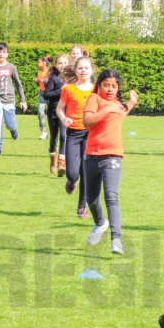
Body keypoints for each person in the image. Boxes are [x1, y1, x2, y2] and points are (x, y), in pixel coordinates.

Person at [82, 70, 139, 255]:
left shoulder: (118, 105)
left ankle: (116, 240)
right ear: (98, 86)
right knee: (91, 199)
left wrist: (130, 102)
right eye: (106, 85)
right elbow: (87, 121)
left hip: (113, 157)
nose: (110, 89)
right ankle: (100, 223)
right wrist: (106, 109)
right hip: (91, 156)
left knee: (111, 196)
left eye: (114, 86)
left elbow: (121, 114)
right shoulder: (95, 100)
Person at [57, 56, 95, 218]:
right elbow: (60, 108)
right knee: (73, 173)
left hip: (90, 134)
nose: (83, 70)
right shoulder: (69, 89)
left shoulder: (96, 89)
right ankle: (71, 180)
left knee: (86, 171)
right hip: (73, 134)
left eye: (86, 68)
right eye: (80, 68)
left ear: (92, 70)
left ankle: (82, 207)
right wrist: (64, 118)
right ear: (75, 71)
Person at [0, 42, 27, 156]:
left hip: (9, 101)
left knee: (9, 124)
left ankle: (13, 130)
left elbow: (18, 85)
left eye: (4, 52)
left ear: (7, 54)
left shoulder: (11, 67)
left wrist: (23, 100)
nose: (1, 54)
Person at [43, 54, 69, 175]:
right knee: (54, 139)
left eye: (65, 63)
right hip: (53, 112)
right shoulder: (53, 79)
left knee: (64, 136)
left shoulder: (72, 79)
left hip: (66, 112)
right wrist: (61, 90)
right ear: (56, 65)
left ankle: (61, 163)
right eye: (60, 63)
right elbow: (46, 95)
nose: (62, 65)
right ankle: (53, 157)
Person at [34, 57, 50, 141]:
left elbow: (50, 81)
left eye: (38, 62)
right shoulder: (39, 72)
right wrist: (37, 82)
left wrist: (40, 80)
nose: (37, 64)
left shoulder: (50, 72)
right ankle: (43, 131)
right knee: (40, 112)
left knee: (52, 113)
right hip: (42, 93)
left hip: (50, 93)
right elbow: (40, 84)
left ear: (44, 63)